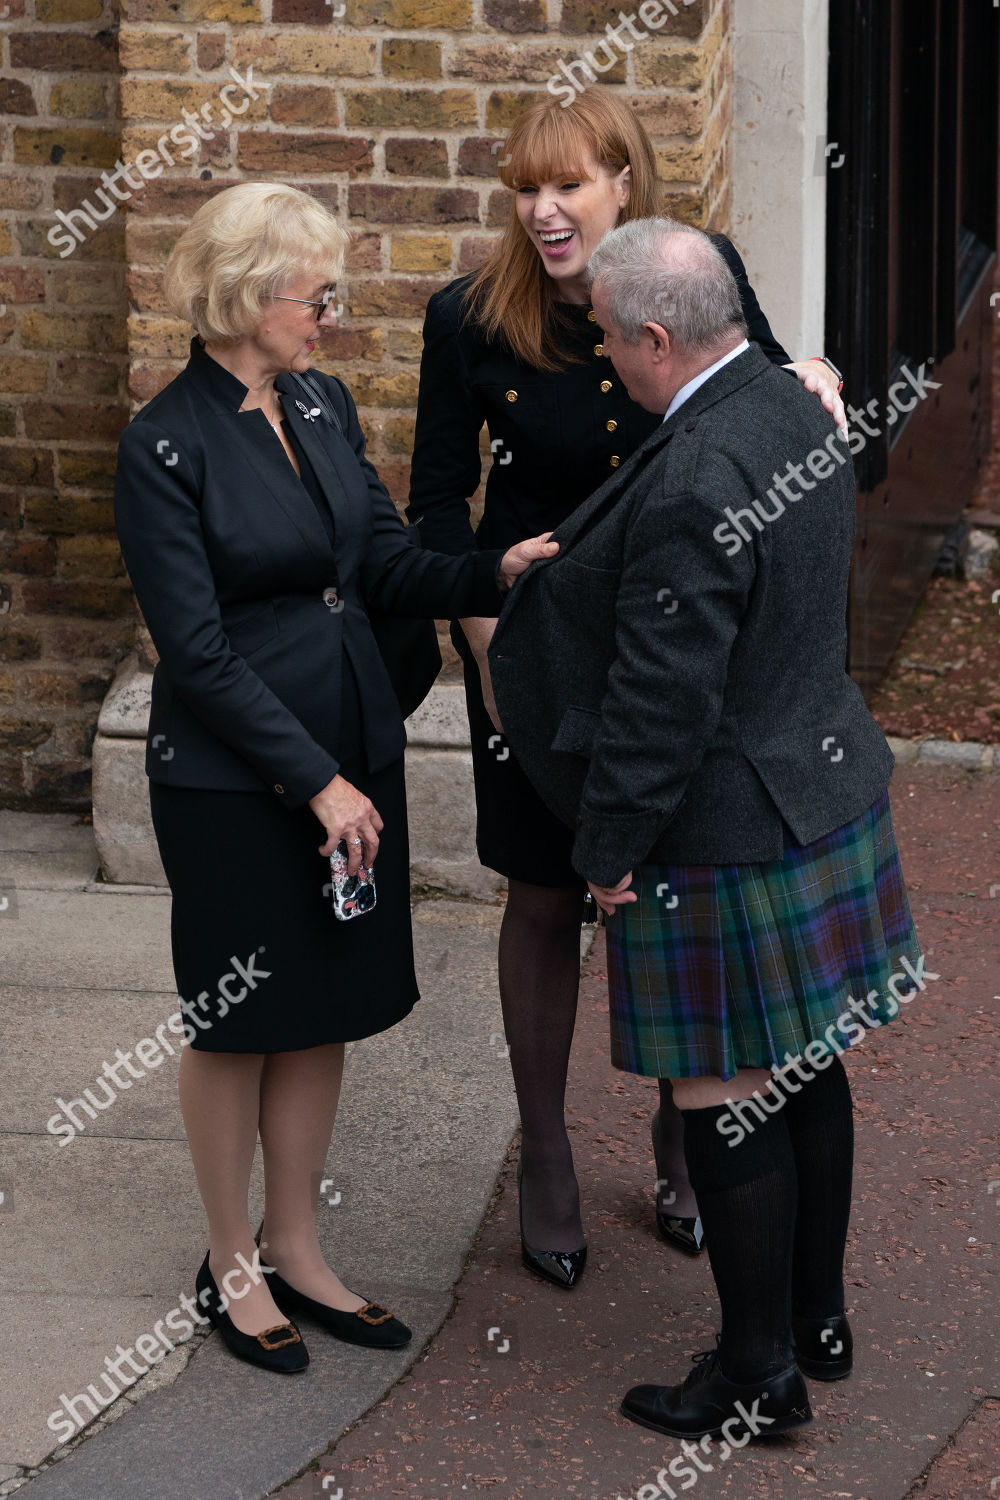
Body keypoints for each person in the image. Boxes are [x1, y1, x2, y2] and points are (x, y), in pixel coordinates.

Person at [113, 182, 556, 1375]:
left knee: (321, 1004)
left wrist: (495, 571)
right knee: (239, 1013)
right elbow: (192, 651)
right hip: (236, 781)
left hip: (353, 747)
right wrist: (315, 784)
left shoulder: (320, 401)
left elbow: (382, 565)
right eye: (318, 295)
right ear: (255, 294)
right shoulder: (163, 442)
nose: (331, 316)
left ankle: (299, 1248)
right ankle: (230, 1261)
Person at [488, 217, 920, 1439]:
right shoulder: (797, 408)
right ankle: (816, 1320)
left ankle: (755, 1374)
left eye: (614, 344)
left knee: (725, 1089)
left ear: (661, 335)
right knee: (807, 1063)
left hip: (723, 822)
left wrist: (608, 848)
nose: (608, 364)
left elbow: (660, 698)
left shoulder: (694, 477)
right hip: (818, 785)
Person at [407, 86, 846, 1285]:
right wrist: (486, 643)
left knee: (670, 886)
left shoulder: (695, 272)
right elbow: (439, 505)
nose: (544, 210)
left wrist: (810, 370)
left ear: (622, 186)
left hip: (667, 646)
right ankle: (544, 1155)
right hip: (530, 659)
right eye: (525, 188)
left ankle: (682, 1128)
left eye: (569, 185)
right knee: (546, 897)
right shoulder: (468, 320)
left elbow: (746, 394)